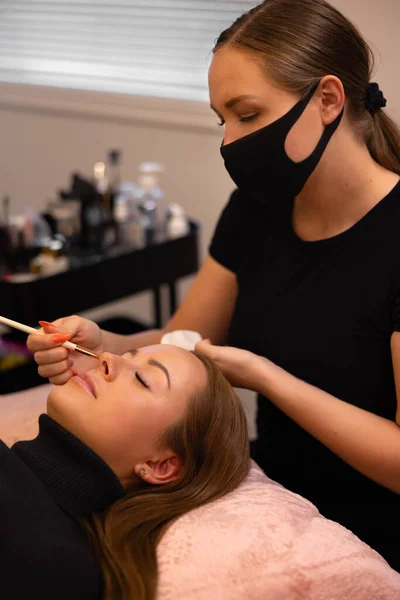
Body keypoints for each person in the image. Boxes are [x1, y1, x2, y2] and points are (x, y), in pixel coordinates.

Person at [28, 0, 400, 572]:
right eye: (220, 118)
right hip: (271, 497)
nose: (230, 141)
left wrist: (270, 381)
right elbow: (185, 337)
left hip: (369, 541)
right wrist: (109, 346)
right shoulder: (258, 209)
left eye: (247, 114)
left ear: (328, 99)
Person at [0, 345, 249, 600]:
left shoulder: (53, 563)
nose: (107, 358)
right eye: (128, 355)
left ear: (159, 466)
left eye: (142, 379)